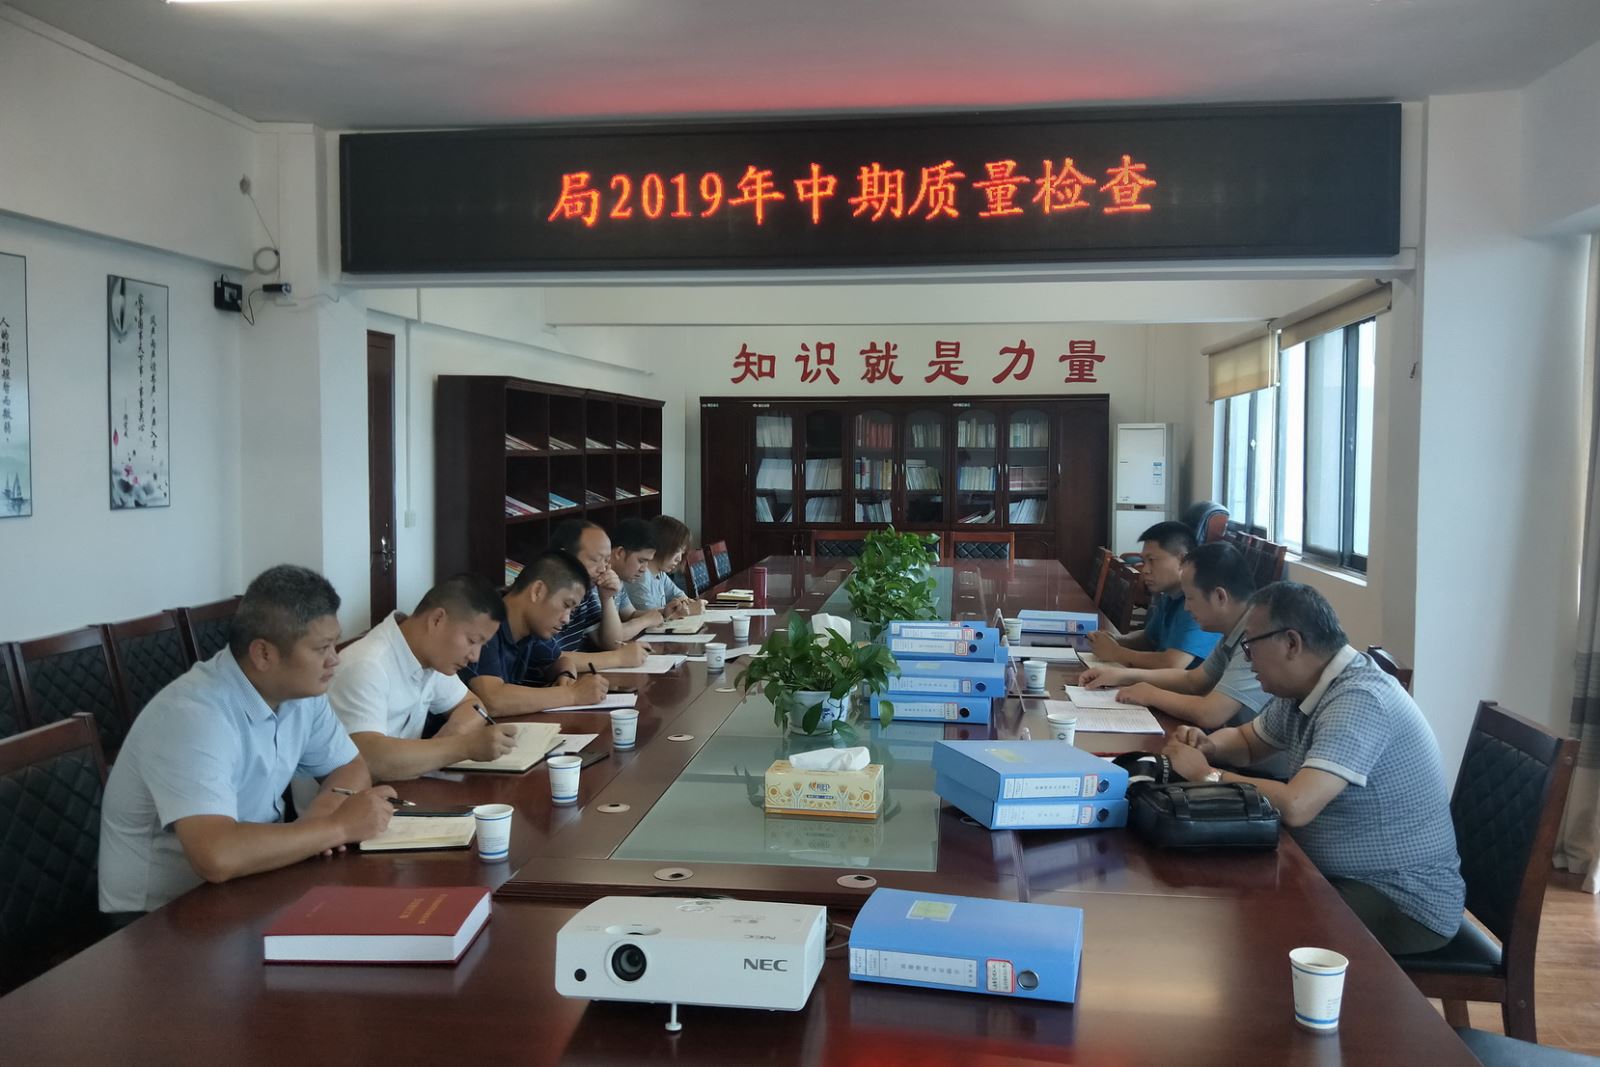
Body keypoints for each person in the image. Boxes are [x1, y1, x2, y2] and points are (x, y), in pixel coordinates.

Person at [1161, 581, 1464, 954]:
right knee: (1220, 891)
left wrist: (1206, 775)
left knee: (1247, 926)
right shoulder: (1306, 686)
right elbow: (1248, 742)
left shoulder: (1359, 699)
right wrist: (1207, 745)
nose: (1248, 659)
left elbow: (1297, 805)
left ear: (1292, 643)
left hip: (1398, 897)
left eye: (1251, 645)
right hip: (1331, 873)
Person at [99, 565, 395, 914]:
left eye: (334, 643)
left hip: (250, 884)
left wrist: (317, 825)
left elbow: (350, 766)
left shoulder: (301, 693)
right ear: (263, 654)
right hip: (159, 918)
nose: (334, 660)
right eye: (321, 648)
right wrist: (337, 827)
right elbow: (216, 856)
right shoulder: (193, 716)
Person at [328, 573, 518, 781]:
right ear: (437, 620)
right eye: (472, 641)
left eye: (482, 645)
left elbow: (473, 707)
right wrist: (463, 746)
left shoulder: (431, 657)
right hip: (354, 797)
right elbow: (370, 760)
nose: (475, 656)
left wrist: (444, 743)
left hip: (406, 786)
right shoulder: (367, 665)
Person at [461, 550, 611, 716]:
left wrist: (565, 675)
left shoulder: (531, 626)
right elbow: (492, 701)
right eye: (566, 605)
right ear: (537, 591)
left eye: (572, 610)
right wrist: (572, 694)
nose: (566, 619)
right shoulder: (486, 619)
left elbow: (559, 660)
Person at [1089, 521, 1220, 669]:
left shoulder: (1200, 603)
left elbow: (1173, 663)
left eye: (1152, 560)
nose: (1145, 570)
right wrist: (1116, 640)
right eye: (1144, 561)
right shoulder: (1169, 595)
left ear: (1183, 560)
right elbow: (1149, 638)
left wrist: (1116, 652)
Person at [540, 518, 650, 672]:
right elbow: (549, 657)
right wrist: (619, 658)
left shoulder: (586, 592)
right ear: (564, 557)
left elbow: (612, 643)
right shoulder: (543, 595)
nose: (603, 569)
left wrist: (606, 598)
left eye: (606, 561)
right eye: (595, 560)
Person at [606, 518, 674, 639]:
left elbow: (630, 614)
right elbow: (611, 638)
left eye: (648, 562)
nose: (644, 569)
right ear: (620, 553)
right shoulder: (600, 582)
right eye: (641, 561)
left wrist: (665, 612)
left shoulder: (619, 578)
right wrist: (645, 621)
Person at [624, 514, 702, 616]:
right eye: (677, 550)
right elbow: (651, 617)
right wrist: (688, 609)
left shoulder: (660, 574)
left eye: (682, 553)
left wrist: (685, 605)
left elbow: (681, 596)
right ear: (662, 545)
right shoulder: (639, 577)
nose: (679, 559)